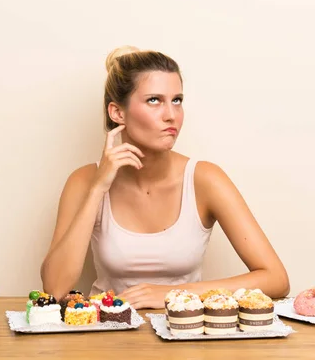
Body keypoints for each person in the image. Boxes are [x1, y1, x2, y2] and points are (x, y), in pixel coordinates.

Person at [41, 45, 290, 309]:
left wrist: (175, 292)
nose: (171, 115)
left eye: (177, 100)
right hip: (107, 335)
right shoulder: (83, 181)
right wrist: (97, 189)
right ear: (117, 113)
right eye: (154, 100)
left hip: (186, 334)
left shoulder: (205, 179)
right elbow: (55, 289)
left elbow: (276, 279)